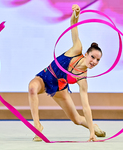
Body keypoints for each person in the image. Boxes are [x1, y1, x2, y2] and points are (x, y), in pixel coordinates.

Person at [28, 4, 105, 142]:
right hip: (45, 76)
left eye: (98, 60)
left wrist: (91, 134)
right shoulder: (77, 49)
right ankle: (37, 127)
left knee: (76, 119)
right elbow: (73, 25)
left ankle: (93, 126)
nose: (94, 61)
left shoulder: (82, 78)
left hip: (59, 88)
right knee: (32, 88)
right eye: (92, 57)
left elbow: (86, 107)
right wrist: (76, 13)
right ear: (86, 54)